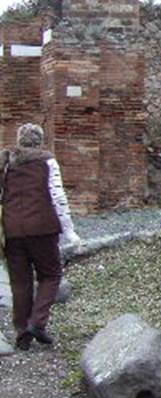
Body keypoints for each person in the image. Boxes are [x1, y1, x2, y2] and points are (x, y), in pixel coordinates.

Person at [1, 123, 81, 351]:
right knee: (51, 274)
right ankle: (37, 322)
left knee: (20, 281)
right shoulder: (47, 162)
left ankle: (22, 332)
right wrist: (70, 231)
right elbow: (57, 197)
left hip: (12, 229)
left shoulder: (6, 163)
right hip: (43, 228)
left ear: (19, 140)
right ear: (40, 141)